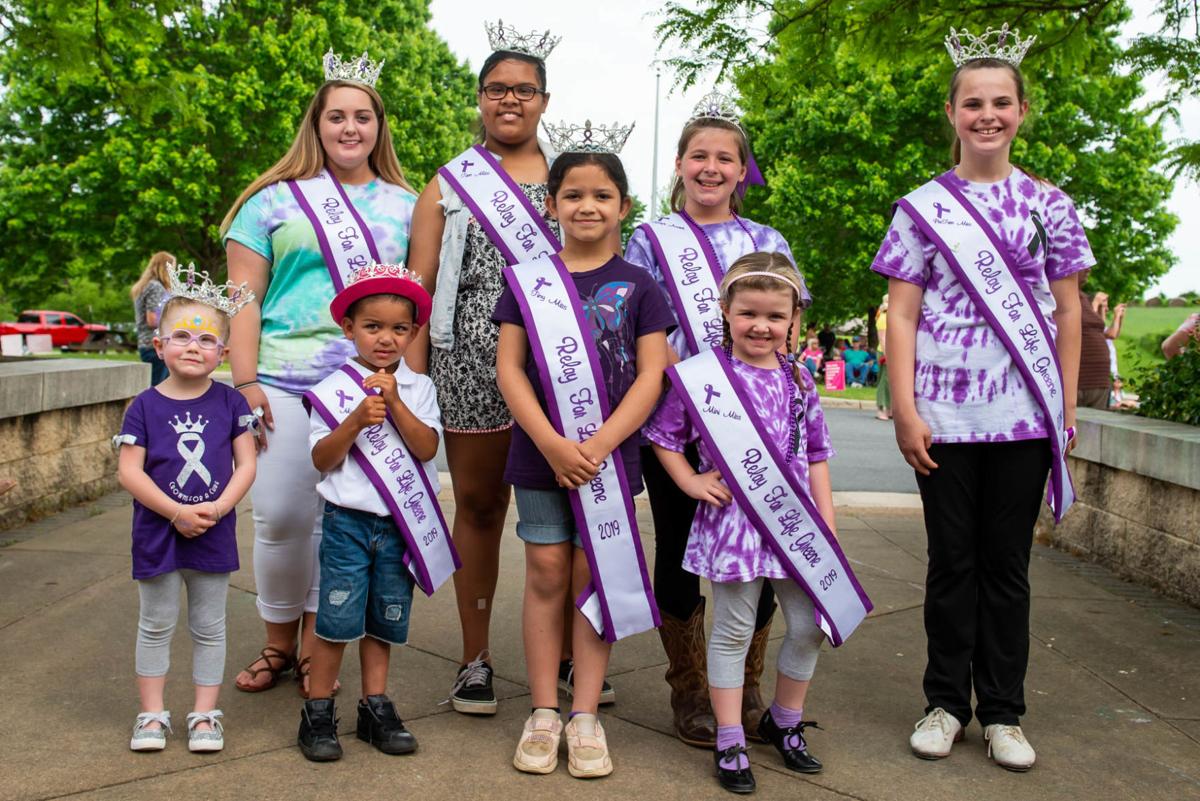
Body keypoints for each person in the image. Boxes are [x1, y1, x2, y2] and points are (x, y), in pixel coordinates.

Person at [872, 24, 1093, 772]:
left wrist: (1066, 406)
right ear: (952, 112)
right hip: (945, 418)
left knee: (1007, 568)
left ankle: (1003, 711)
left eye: (1001, 102)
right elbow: (902, 315)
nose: (987, 115)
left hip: (1024, 416)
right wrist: (906, 409)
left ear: (1022, 111)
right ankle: (944, 703)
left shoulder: (1050, 206)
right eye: (973, 103)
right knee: (950, 565)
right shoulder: (921, 208)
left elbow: (1068, 311)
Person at [220, 49, 418, 699]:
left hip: (366, 386)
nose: (350, 127)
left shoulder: (408, 205)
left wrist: (409, 388)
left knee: (341, 520)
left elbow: (416, 305)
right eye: (337, 116)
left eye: (363, 116)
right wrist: (243, 382)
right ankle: (277, 641)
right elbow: (242, 300)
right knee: (280, 516)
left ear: (379, 127)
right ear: (317, 124)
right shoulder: (269, 202)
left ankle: (315, 647)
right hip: (280, 379)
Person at [624, 91, 811, 747]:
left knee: (763, 550)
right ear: (679, 164)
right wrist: (699, 387)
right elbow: (641, 326)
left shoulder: (767, 240)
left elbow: (789, 325)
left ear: (741, 169)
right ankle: (691, 688)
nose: (711, 167)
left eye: (725, 157)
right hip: (679, 419)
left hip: (761, 424)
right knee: (678, 551)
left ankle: (747, 683)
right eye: (699, 155)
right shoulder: (650, 239)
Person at [647, 255, 869, 794]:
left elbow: (818, 454)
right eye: (748, 313)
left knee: (811, 625)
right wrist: (689, 481)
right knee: (734, 629)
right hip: (735, 526)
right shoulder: (702, 378)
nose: (761, 326)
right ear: (725, 310)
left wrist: (827, 524)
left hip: (796, 526)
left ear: (793, 319)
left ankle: (784, 722)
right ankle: (730, 738)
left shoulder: (800, 379)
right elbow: (664, 438)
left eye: (775, 316)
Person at [494, 137, 672, 778]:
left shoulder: (642, 286)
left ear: (624, 206)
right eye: (573, 195)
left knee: (592, 575)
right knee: (545, 570)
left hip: (608, 460)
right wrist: (551, 442)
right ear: (551, 205)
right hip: (539, 452)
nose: (587, 205)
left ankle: (586, 713)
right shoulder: (528, 283)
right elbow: (509, 369)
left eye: (602, 195)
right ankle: (544, 710)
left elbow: (653, 375)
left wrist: (597, 446)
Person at [407, 22, 571, 714]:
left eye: (524, 90)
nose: (510, 100)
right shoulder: (448, 184)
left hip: (560, 364)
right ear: (479, 97)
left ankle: (570, 654)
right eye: (497, 88)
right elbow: (418, 290)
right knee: (477, 506)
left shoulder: (575, 177)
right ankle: (474, 658)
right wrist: (413, 384)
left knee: (567, 510)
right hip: (467, 362)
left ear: (544, 100)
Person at [296, 264, 446, 762]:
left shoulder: (420, 387)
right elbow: (321, 459)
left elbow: (427, 449)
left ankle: (374, 706)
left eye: (399, 329)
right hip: (348, 524)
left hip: (398, 526)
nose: (386, 338)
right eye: (373, 326)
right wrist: (355, 420)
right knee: (336, 618)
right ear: (349, 328)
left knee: (385, 618)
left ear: (413, 333)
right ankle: (318, 711)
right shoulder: (332, 389)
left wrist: (396, 403)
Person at [115, 266, 258, 753]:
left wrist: (217, 509)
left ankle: (204, 715)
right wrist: (175, 511)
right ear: (159, 346)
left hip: (213, 531)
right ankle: (152, 714)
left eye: (206, 339)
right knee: (155, 624)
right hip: (157, 533)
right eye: (181, 336)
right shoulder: (143, 406)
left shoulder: (232, 404)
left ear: (223, 352)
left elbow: (246, 464)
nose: (193, 346)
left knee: (209, 626)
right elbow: (129, 472)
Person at [130, 251, 175, 386]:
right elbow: (152, 319)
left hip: (147, 343)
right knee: (158, 389)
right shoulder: (155, 287)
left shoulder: (146, 286)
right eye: (172, 268)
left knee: (159, 388)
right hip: (155, 345)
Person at [1078, 280, 1112, 410]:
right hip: (1081, 381)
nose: (1088, 270)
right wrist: (1096, 303)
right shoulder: (1066, 297)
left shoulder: (1083, 298)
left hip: (1098, 381)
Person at [876, 295, 891, 420]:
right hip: (884, 352)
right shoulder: (883, 317)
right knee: (883, 381)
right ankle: (880, 408)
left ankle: (890, 409)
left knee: (890, 381)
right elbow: (883, 339)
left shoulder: (890, 317)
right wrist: (887, 355)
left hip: (893, 352)